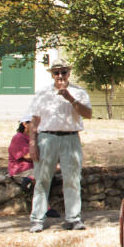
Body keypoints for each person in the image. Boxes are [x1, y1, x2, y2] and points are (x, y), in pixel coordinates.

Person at [27, 58, 92, 232]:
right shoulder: (42, 93)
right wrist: (33, 144)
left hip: (70, 138)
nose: (60, 76)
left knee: (72, 179)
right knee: (42, 179)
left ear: (69, 73)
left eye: (63, 72)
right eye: (57, 72)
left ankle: (73, 218)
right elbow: (34, 120)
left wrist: (70, 98)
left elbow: (88, 114)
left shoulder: (78, 92)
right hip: (47, 138)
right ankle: (37, 219)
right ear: (52, 75)